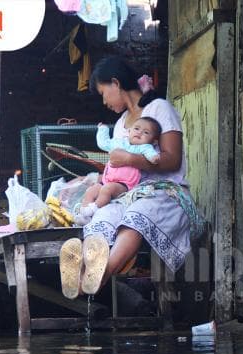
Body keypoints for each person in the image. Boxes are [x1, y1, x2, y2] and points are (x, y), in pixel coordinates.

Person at [59, 56, 204, 300]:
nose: (104, 101)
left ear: (116, 83)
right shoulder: (119, 125)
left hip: (164, 193)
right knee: (104, 216)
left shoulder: (159, 109)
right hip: (127, 194)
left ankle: (96, 275)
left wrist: (129, 159)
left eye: (104, 93)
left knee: (136, 217)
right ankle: (84, 273)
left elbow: (172, 159)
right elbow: (119, 174)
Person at [75, 116, 162, 225]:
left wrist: (154, 157)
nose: (139, 133)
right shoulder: (118, 143)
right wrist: (103, 130)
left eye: (146, 132)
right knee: (92, 190)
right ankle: (84, 214)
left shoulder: (143, 148)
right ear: (129, 131)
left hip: (125, 184)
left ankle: (93, 209)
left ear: (153, 141)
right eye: (136, 129)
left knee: (107, 189)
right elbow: (103, 143)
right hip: (108, 179)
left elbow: (151, 154)